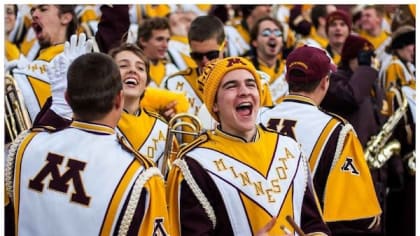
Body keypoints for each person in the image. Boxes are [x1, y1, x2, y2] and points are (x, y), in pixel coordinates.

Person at [4, 52, 169, 235]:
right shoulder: (142, 177)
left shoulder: (26, 146)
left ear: (66, 98)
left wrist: (55, 110)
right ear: (119, 100)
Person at [166, 56, 331, 235]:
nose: (244, 91)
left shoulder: (289, 148)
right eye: (231, 86)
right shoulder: (195, 165)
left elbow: (313, 223)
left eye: (251, 84)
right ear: (214, 104)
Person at [258, 45, 382, 235]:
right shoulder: (338, 131)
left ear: (286, 78)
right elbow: (361, 218)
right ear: (325, 82)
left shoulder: (258, 116)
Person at [108, 43, 177, 172]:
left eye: (140, 68)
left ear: (146, 83)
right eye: (123, 66)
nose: (133, 70)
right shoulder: (97, 119)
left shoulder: (162, 128)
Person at [11, 5, 78, 122]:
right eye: (33, 11)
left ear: (65, 18)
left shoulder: (81, 63)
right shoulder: (28, 67)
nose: (34, 15)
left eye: (43, 9)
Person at [380, 25, 415, 236]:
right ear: (400, 46)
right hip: (400, 137)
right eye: (411, 43)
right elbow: (393, 103)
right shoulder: (394, 67)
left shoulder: (407, 66)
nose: (414, 48)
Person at [247, 16, 288, 103]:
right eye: (266, 33)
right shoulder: (245, 68)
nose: (272, 37)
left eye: (277, 34)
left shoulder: (289, 68)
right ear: (255, 42)